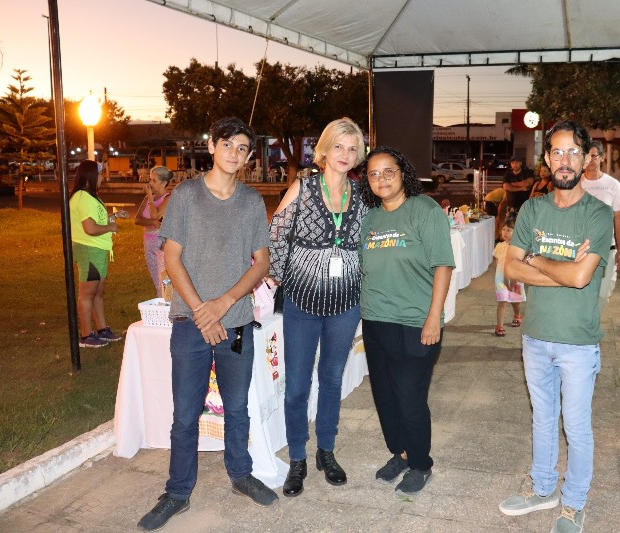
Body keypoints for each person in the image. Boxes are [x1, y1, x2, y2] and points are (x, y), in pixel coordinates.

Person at [137, 117, 277, 532]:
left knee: (237, 407)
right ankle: (177, 492)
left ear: (249, 157)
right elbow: (172, 257)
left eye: (243, 148)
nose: (235, 153)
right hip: (190, 322)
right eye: (228, 144)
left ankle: (241, 474)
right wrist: (202, 310)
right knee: (185, 413)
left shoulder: (251, 201)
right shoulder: (186, 196)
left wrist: (224, 303)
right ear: (212, 146)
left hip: (235, 323)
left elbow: (262, 262)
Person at [498, 120, 612, 533]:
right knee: (542, 419)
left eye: (573, 152)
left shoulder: (598, 214)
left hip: (578, 342)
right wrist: (562, 269)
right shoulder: (533, 209)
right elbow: (510, 268)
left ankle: (573, 503)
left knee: (576, 427)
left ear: (586, 158)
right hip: (535, 336)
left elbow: (582, 278)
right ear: (547, 158)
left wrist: (536, 259)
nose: (565, 160)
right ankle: (543, 488)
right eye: (558, 152)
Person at [268, 117, 368, 498]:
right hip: (303, 302)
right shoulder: (304, 187)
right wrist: (280, 277)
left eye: (352, 148)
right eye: (338, 146)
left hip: (345, 304)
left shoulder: (362, 196)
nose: (345, 154)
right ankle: (298, 457)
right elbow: (276, 232)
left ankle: (326, 450)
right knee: (297, 385)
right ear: (324, 150)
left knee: (332, 379)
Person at [358, 146, 454, 497]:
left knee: (410, 398)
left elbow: (443, 266)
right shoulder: (370, 218)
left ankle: (420, 463)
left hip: (415, 322)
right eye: (373, 173)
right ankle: (400, 453)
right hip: (375, 320)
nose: (381, 179)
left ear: (403, 174)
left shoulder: (424, 210)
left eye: (389, 171)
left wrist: (433, 319)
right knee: (385, 397)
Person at [69, 160, 124, 348]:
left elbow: (95, 220)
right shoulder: (83, 197)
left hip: (97, 249)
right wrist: (110, 227)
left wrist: (113, 217)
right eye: (100, 174)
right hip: (88, 249)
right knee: (87, 293)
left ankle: (102, 329)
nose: (102, 178)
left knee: (98, 292)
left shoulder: (89, 197)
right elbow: (90, 228)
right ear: (91, 176)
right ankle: (86, 335)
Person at [581, 140, 620, 314]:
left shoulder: (612, 185)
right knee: (580, 292)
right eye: (586, 156)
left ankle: (593, 323)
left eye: (593, 156)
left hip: (606, 249)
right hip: (579, 249)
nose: (590, 160)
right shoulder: (575, 183)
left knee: (603, 294)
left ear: (602, 157)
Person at [134, 166, 173, 297]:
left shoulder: (168, 198)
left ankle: (167, 306)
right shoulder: (147, 199)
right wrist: (151, 223)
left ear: (163, 183)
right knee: (157, 282)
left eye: (154, 180)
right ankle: (161, 305)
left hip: (161, 244)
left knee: (164, 281)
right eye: (150, 179)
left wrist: (150, 197)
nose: (150, 183)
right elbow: (137, 219)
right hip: (148, 243)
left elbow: (155, 215)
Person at [493, 216, 524, 337]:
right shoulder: (499, 246)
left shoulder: (518, 248)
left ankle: (517, 314)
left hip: (515, 278)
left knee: (515, 301)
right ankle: (499, 326)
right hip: (501, 279)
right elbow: (497, 261)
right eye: (503, 229)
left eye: (509, 230)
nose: (505, 232)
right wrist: (498, 275)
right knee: (502, 301)